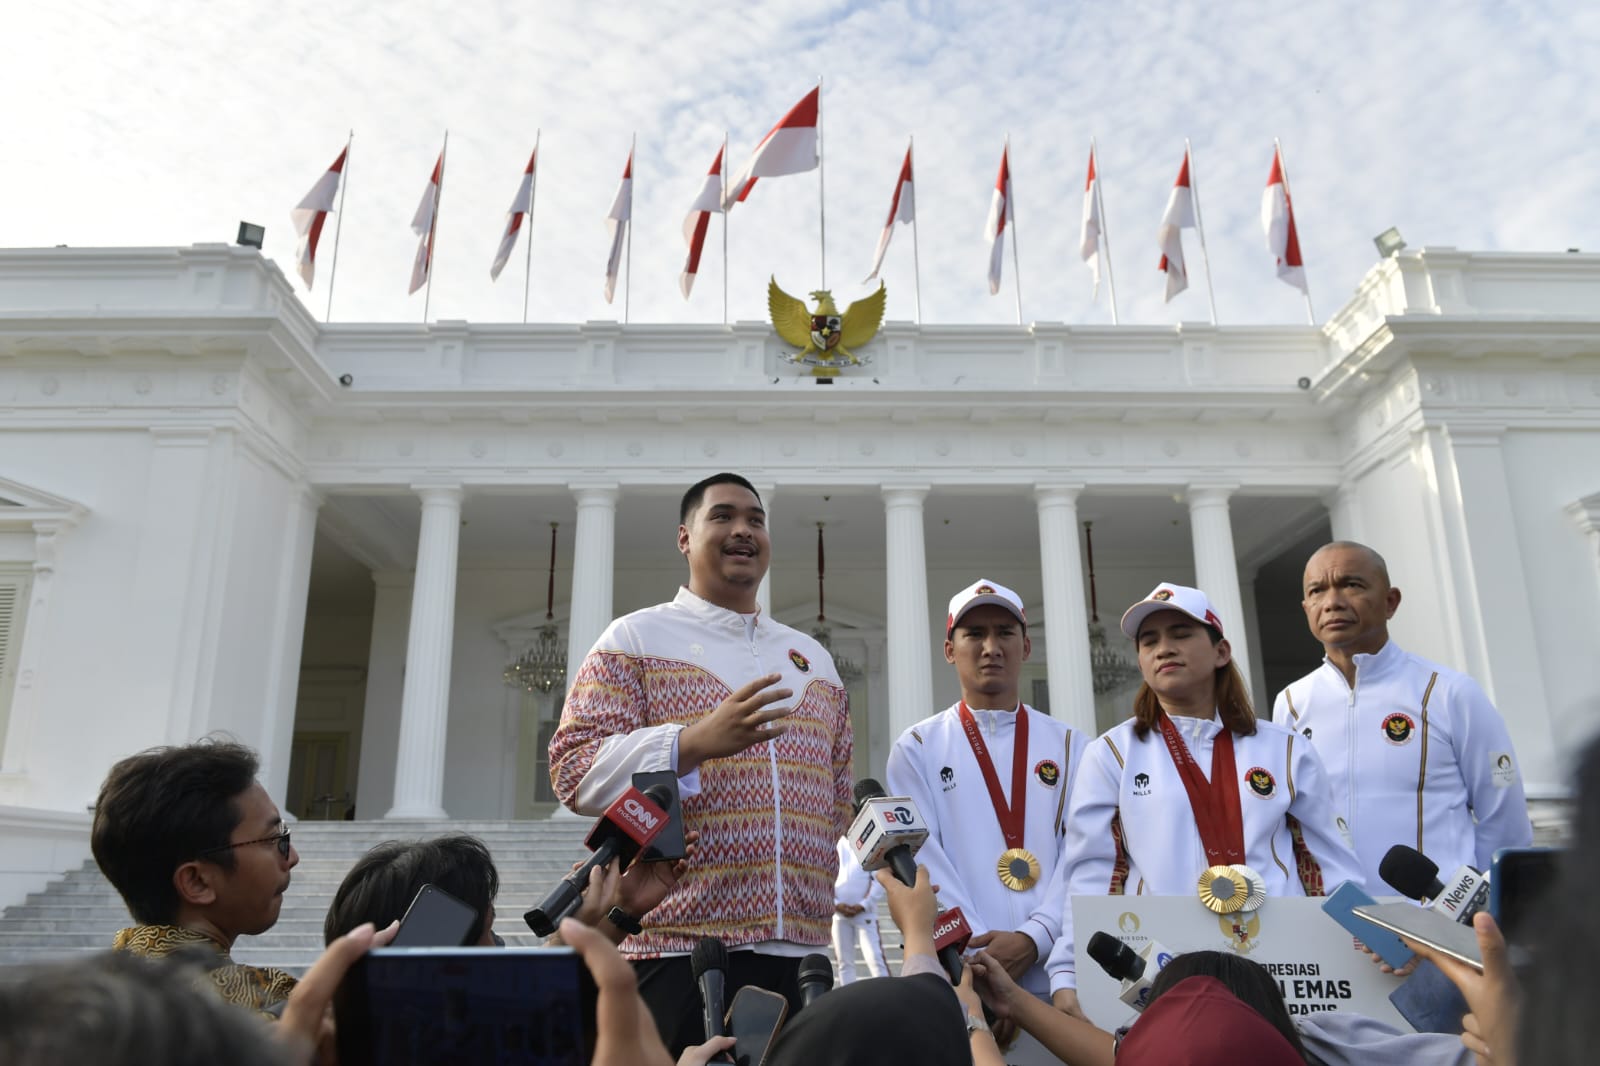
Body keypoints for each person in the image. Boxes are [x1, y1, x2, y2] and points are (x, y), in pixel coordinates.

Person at [548, 472, 854, 1055]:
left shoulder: (813, 659)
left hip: (803, 957)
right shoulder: (635, 638)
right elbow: (573, 766)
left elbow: (838, 795)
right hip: (679, 950)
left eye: (756, 520)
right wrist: (689, 742)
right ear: (685, 538)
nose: (743, 530)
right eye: (723, 516)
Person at [1047, 582, 1363, 1020]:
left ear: (1221, 651)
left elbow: (1327, 864)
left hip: (1283, 966)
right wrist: (1068, 970)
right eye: (1149, 641)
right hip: (1162, 971)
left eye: (1180, 633)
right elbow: (1093, 871)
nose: (1163, 649)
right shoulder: (1112, 754)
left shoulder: (1285, 750)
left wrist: (1369, 934)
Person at [886, 577, 1084, 1064]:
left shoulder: (1072, 745)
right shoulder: (917, 748)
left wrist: (1034, 939)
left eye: (1004, 633)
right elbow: (920, 861)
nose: (990, 647)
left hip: (1059, 977)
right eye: (974, 634)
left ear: (1027, 646)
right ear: (950, 649)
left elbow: (1085, 855)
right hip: (963, 976)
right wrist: (981, 959)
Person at [1273, 542, 1532, 893]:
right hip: (1335, 926)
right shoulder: (1290, 703)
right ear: (1306, 608)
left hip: (1437, 928)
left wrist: (1477, 909)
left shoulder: (1450, 692)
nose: (1332, 601)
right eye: (1317, 591)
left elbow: (1504, 818)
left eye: (1352, 584)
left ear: (1390, 601)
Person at [91, 737, 302, 1016]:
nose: (292, 857)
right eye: (273, 838)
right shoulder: (277, 1013)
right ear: (197, 881)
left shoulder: (78, 1004)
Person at [831, 834, 888, 984]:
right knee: (844, 963)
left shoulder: (869, 844)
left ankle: (888, 1000)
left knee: (875, 959)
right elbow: (823, 876)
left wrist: (864, 905)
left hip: (865, 914)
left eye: (849, 814)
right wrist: (835, 903)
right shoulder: (831, 842)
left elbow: (879, 879)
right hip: (839, 915)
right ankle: (848, 1003)